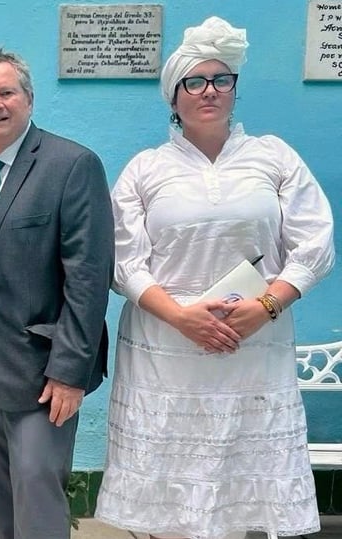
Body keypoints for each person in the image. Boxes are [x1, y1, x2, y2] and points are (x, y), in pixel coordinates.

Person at [94, 16, 335, 539]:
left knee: (240, 492)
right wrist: (183, 317)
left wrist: (265, 306)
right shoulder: (145, 169)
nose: (209, 90)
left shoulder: (273, 157)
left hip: (253, 346)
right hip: (167, 349)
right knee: (169, 494)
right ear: (174, 95)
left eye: (221, 79)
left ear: (234, 89)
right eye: (195, 81)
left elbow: (315, 244)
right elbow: (122, 260)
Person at [0, 48, 114, 539]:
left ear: (29, 99)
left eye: (6, 92)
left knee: (38, 498)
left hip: (43, 373)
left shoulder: (72, 165)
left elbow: (87, 278)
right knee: (0, 504)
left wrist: (70, 372)